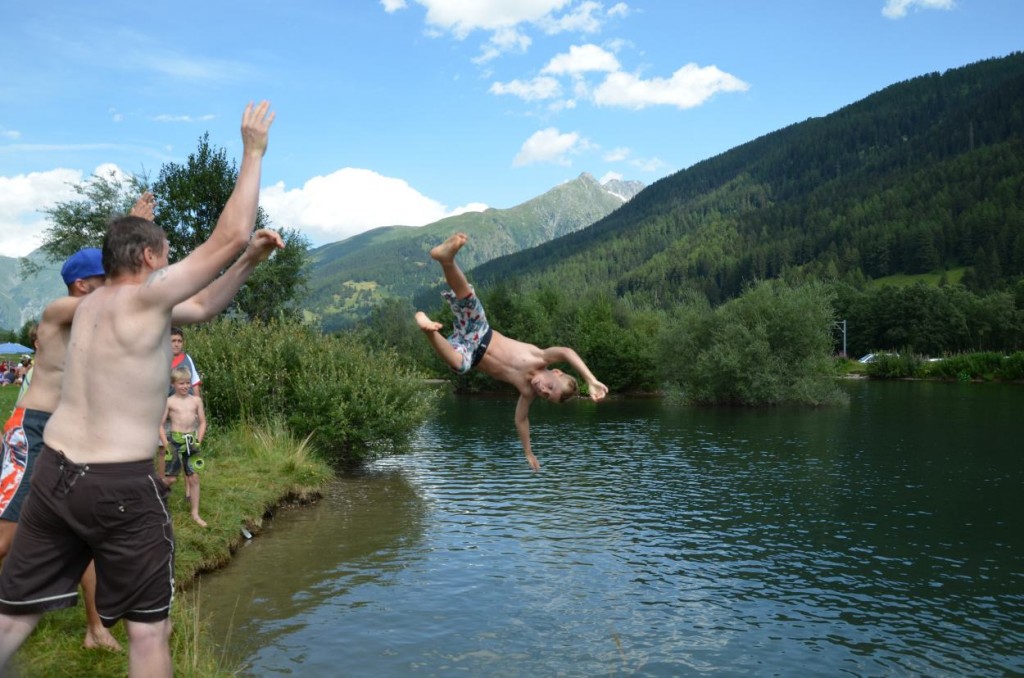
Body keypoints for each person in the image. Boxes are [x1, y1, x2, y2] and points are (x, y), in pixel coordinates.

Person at [0, 100, 279, 678]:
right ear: (151, 259)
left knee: (11, 617)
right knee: (151, 634)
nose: (169, 266)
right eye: (166, 256)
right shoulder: (147, 299)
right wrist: (252, 151)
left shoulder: (88, 306)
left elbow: (201, 304)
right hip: (116, 485)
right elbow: (229, 234)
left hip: (55, 473)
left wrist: (248, 263)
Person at [0, 249, 122, 652]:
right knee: (6, 538)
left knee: (83, 535)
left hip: (70, 438)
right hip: (32, 431)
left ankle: (95, 629)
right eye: (107, 277)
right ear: (81, 285)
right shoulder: (56, 312)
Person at [415, 232, 609, 472]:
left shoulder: (527, 392)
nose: (543, 390)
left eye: (546, 396)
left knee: (460, 365)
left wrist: (528, 451)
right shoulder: (540, 358)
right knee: (467, 297)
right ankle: (446, 259)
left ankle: (428, 330)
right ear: (556, 372)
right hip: (480, 331)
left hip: (468, 353)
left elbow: (521, 420)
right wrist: (591, 380)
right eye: (550, 386)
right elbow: (568, 351)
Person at [160, 367, 207, 527]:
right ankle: (157, 498)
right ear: (173, 384)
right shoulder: (169, 401)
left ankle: (195, 513)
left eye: (187, 383)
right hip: (174, 440)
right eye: (181, 383)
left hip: (191, 440)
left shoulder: (196, 401)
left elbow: (202, 422)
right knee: (171, 478)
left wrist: (198, 440)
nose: (185, 386)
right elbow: (159, 425)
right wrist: (166, 444)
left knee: (194, 477)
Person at [156, 326, 201, 479]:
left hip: (185, 411)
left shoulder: (188, 359)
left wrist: (196, 407)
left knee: (187, 448)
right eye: (173, 341)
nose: (176, 344)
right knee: (163, 448)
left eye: (179, 341)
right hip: (164, 410)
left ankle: (189, 486)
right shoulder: (160, 359)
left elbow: (195, 383)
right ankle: (163, 482)